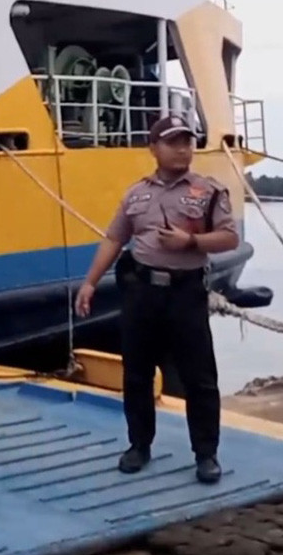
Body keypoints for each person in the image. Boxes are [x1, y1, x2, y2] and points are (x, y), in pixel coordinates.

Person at [75, 116, 239, 484]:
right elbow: (114, 240)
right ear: (153, 148)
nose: (183, 148)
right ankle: (138, 446)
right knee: (136, 373)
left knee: (199, 377)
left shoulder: (208, 191)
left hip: (186, 293)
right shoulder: (136, 194)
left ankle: (206, 454)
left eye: (188, 141)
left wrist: (191, 242)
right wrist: (89, 283)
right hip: (143, 293)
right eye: (173, 142)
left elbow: (229, 238)